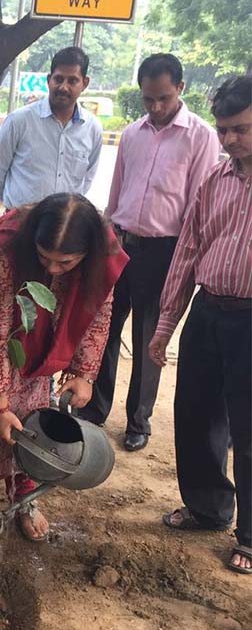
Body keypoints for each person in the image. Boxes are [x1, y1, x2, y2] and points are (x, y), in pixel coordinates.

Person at [0, 194, 128, 543]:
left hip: (45, 328)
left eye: (65, 263)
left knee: (32, 412)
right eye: (44, 258)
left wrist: (83, 373)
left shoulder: (100, 261)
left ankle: (23, 497)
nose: (52, 269)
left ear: (86, 255)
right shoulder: (7, 254)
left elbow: (98, 315)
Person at [81, 54, 220, 451]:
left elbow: (199, 203)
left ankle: (138, 421)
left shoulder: (200, 136)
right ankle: (94, 408)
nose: (156, 107)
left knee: (149, 337)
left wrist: (186, 262)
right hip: (122, 245)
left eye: (163, 98)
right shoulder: (132, 134)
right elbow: (117, 191)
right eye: (148, 99)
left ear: (181, 88)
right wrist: (108, 235)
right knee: (104, 329)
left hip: (166, 252)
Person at [149, 75, 251, 578]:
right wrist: (166, 324)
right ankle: (209, 508)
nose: (230, 141)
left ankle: (250, 538)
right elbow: (188, 248)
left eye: (241, 130)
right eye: (224, 130)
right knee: (195, 413)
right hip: (208, 312)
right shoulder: (216, 179)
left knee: (249, 430)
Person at [0, 47, 102, 209]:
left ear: (85, 83)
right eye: (58, 79)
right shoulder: (19, 121)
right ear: (49, 80)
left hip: (64, 227)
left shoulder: (92, 128)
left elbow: (87, 178)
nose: (63, 87)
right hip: (20, 223)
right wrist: (16, 208)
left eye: (72, 81)